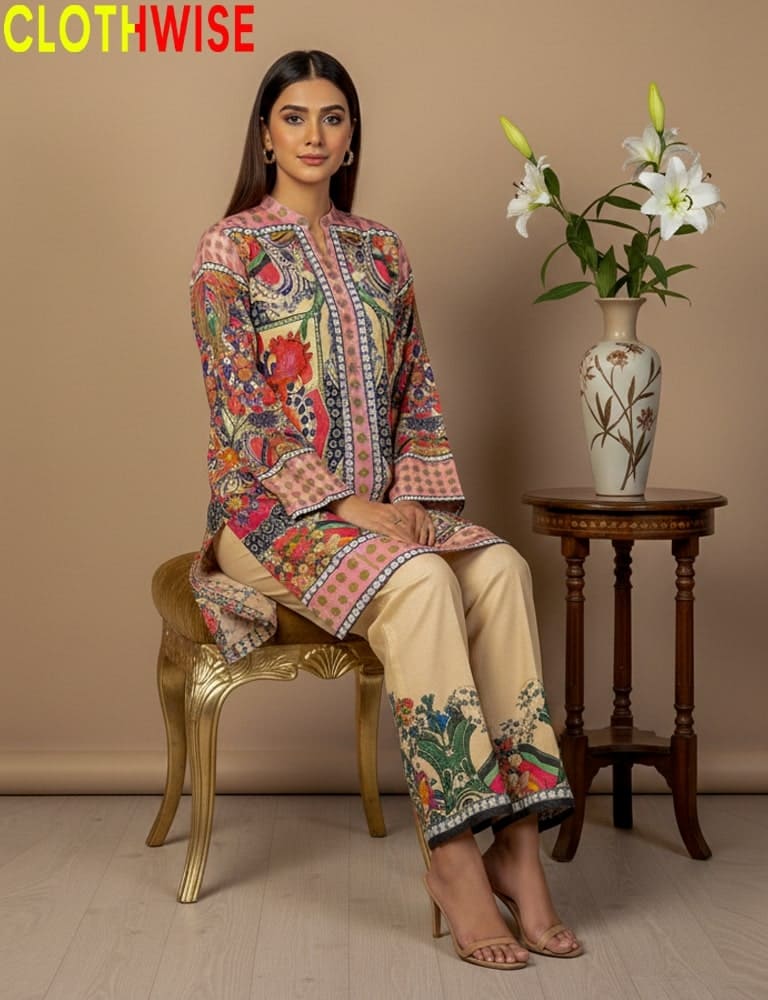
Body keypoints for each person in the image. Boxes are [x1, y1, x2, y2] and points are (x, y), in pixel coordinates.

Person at [188, 49, 581, 969]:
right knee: (420, 588)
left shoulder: (382, 249)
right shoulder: (229, 247)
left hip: (386, 512)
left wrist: (404, 500)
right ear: (266, 133)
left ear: (351, 133)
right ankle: (450, 855)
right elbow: (237, 409)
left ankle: (518, 851)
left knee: (500, 567)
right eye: (295, 117)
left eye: (332, 117)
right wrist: (346, 505)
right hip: (271, 522)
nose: (314, 135)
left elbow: (417, 394)